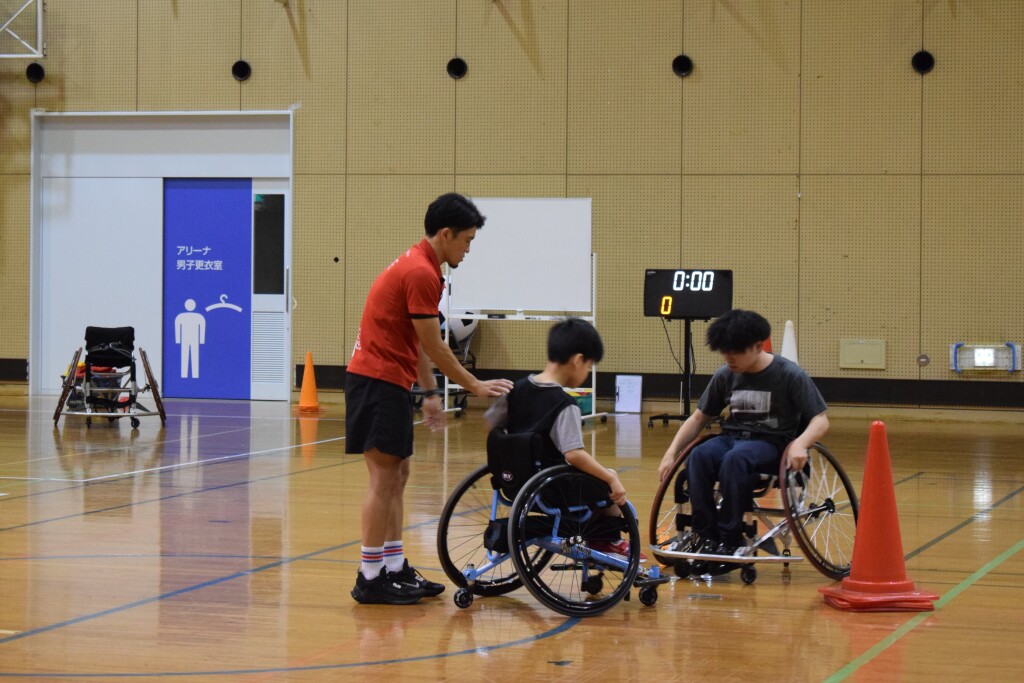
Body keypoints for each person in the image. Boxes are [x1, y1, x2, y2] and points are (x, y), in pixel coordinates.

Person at [346, 192, 514, 605]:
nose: (469, 249)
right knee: (383, 480)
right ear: (446, 234)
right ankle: (370, 577)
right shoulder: (421, 272)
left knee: (397, 477)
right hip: (376, 382)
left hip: (390, 382)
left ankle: (394, 565)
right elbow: (435, 345)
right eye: (467, 240)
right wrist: (473, 386)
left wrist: (430, 392)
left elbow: (418, 343)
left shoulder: (421, 266)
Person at [657, 309, 828, 557]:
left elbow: (820, 420)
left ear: (758, 346)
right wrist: (671, 453)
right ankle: (705, 533)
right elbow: (698, 418)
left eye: (735, 352)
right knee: (699, 455)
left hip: (772, 443)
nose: (728, 358)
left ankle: (731, 536)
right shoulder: (725, 374)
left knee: (736, 459)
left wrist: (801, 443)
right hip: (733, 438)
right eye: (724, 351)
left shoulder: (789, 375)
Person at [485, 318, 643, 560]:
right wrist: (610, 477)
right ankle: (608, 539)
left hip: (514, 486)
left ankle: (600, 536)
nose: (587, 372)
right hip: (551, 491)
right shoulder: (564, 404)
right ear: (578, 360)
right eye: (589, 366)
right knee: (606, 481)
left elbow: (491, 426)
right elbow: (573, 454)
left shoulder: (515, 389)